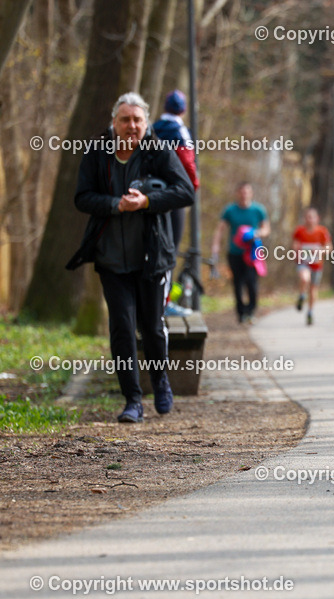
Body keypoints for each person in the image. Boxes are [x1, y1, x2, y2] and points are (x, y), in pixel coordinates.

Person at [66, 92, 194, 423]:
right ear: (114, 123)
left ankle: (161, 382)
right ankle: (132, 400)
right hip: (111, 258)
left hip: (152, 258)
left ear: (146, 123)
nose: (131, 126)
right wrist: (115, 204)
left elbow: (185, 192)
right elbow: (82, 197)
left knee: (151, 327)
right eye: (125, 120)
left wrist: (147, 201)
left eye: (137, 120)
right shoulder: (97, 153)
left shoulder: (158, 152)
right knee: (122, 327)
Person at [150, 90, 200, 317]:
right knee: (170, 249)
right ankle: (164, 302)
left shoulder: (153, 128)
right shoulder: (180, 131)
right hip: (173, 196)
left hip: (150, 196)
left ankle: (150, 301)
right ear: (184, 109)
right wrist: (192, 188)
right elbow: (188, 163)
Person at [212, 181, 270, 324]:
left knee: (251, 281)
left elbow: (266, 229)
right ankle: (241, 313)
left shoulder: (258, 210)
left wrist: (257, 233)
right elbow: (220, 229)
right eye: (242, 192)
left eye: (247, 192)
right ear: (237, 193)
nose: (244, 195)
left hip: (252, 253)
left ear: (251, 193)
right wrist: (216, 246)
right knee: (237, 283)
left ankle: (251, 310)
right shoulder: (230, 210)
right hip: (235, 252)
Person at [292, 207, 332, 325]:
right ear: (305, 219)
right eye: (307, 217)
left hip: (317, 264)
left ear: (317, 219)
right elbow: (294, 245)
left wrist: (319, 250)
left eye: (312, 217)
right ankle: (302, 295)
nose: (310, 220)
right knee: (305, 278)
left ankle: (310, 312)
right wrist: (298, 250)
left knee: (313, 289)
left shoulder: (322, 231)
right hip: (303, 262)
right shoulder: (299, 231)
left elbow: (329, 247)